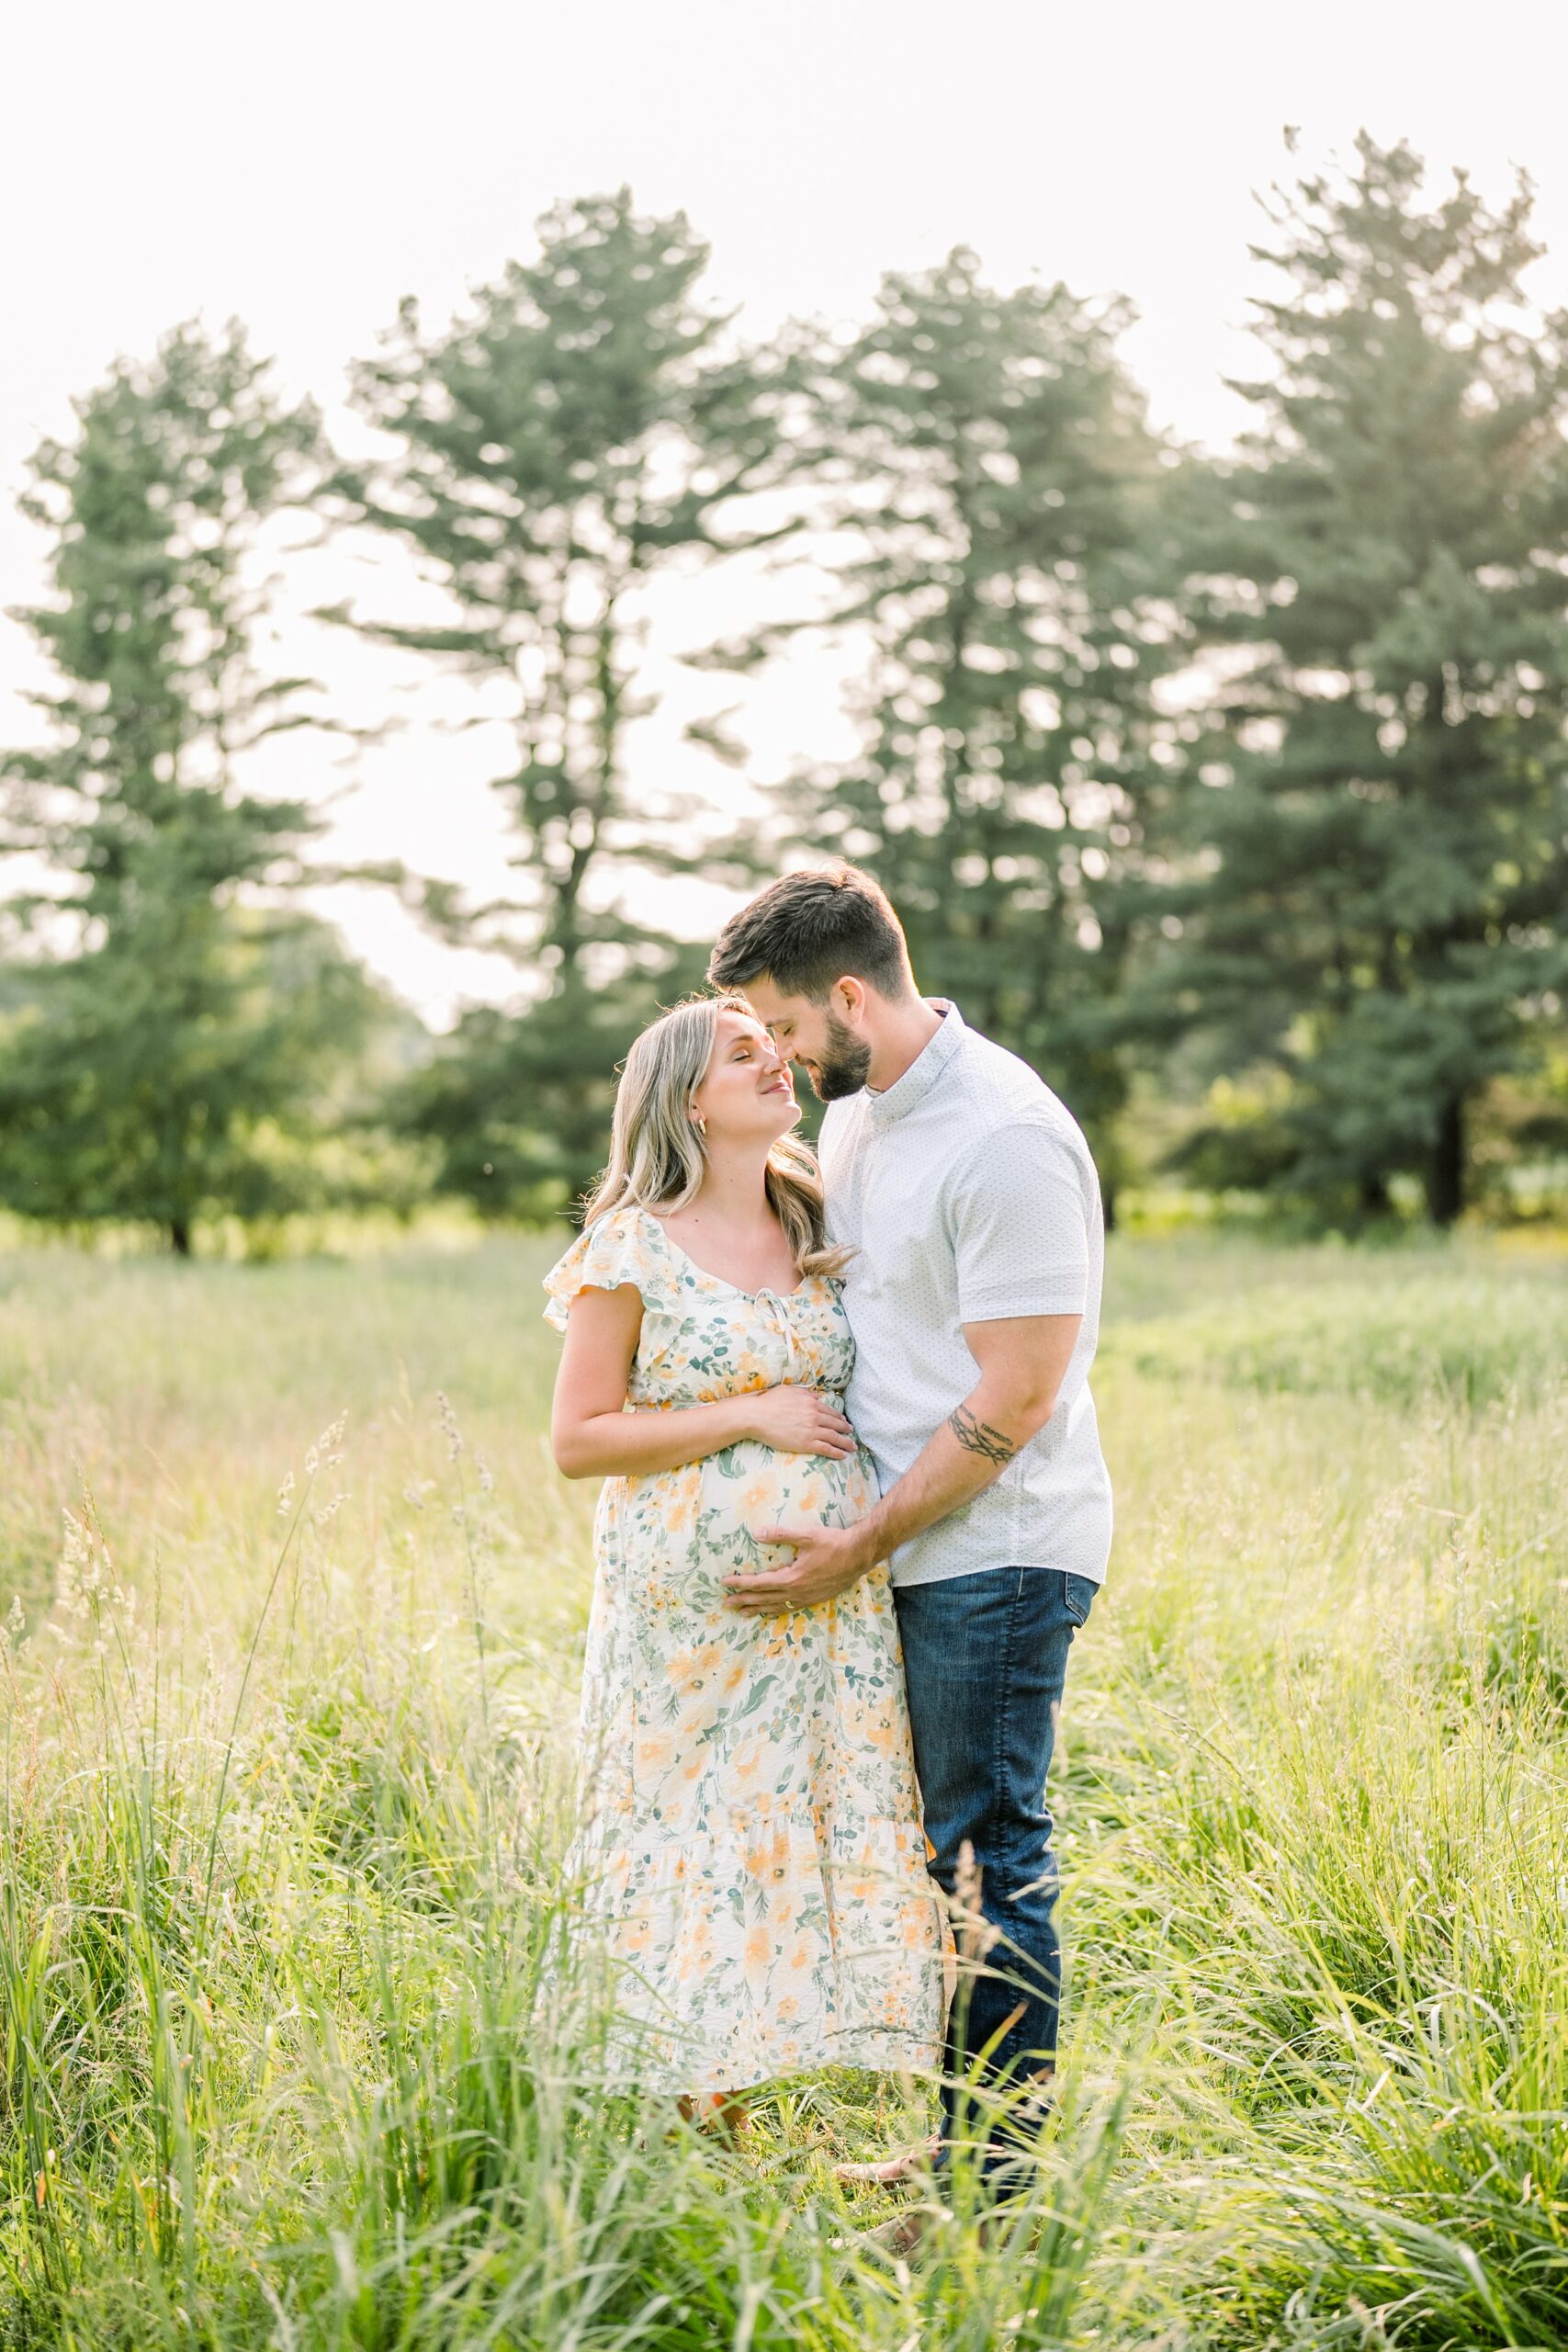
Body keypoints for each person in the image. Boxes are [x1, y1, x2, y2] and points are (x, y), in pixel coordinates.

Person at [707, 865, 1111, 2196]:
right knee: (941, 1861)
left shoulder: (1006, 1135)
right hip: (905, 1540)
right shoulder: (862, 1117)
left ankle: (987, 2204)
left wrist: (862, 1541)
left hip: (993, 1551)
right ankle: (956, 2154)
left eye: (777, 1026)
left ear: (843, 994)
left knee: (992, 1858)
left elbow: (1015, 1392)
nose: (771, 1054)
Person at [542, 993, 944, 2124]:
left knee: (809, 1829)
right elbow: (579, 1439)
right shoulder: (631, 1244)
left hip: (829, 1619)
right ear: (684, 1101)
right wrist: (749, 1416)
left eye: (775, 1046)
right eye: (743, 1054)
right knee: (694, 1842)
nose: (777, 1062)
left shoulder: (812, 1214)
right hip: (691, 1627)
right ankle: (697, 2127)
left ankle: (810, 2099)